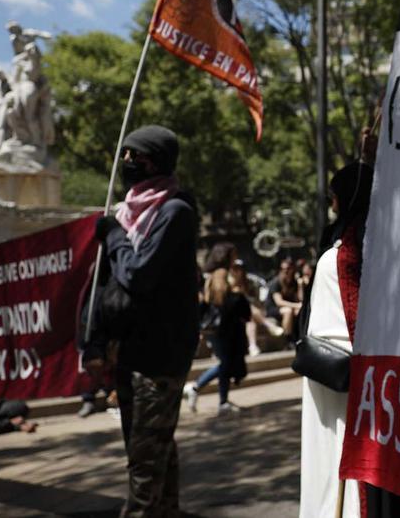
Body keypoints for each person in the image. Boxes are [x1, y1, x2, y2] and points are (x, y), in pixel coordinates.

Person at [92, 124, 200, 516]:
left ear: (154, 162)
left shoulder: (174, 212)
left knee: (143, 460)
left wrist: (115, 237)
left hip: (160, 355)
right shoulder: (129, 213)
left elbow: (138, 274)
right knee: (156, 450)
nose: (126, 164)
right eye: (125, 156)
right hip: (131, 351)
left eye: (134, 157)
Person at [300, 162, 374, 518]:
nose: (331, 205)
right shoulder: (374, 246)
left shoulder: (340, 255)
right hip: (346, 375)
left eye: (334, 197)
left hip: (338, 378)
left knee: (334, 464)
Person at [185, 254, 252, 414]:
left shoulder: (212, 286)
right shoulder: (229, 292)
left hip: (217, 332)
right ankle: (197, 388)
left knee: (225, 365)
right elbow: (243, 313)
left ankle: (222, 401)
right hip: (222, 333)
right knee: (225, 365)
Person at [267, 258, 303, 338]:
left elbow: (300, 299)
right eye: (283, 269)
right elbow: (279, 302)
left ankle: (299, 336)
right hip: (273, 309)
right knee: (288, 311)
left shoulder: (294, 282)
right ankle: (287, 338)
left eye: (288, 269)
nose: (285, 271)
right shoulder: (276, 282)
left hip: (288, 306)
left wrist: (300, 285)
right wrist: (296, 305)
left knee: (299, 311)